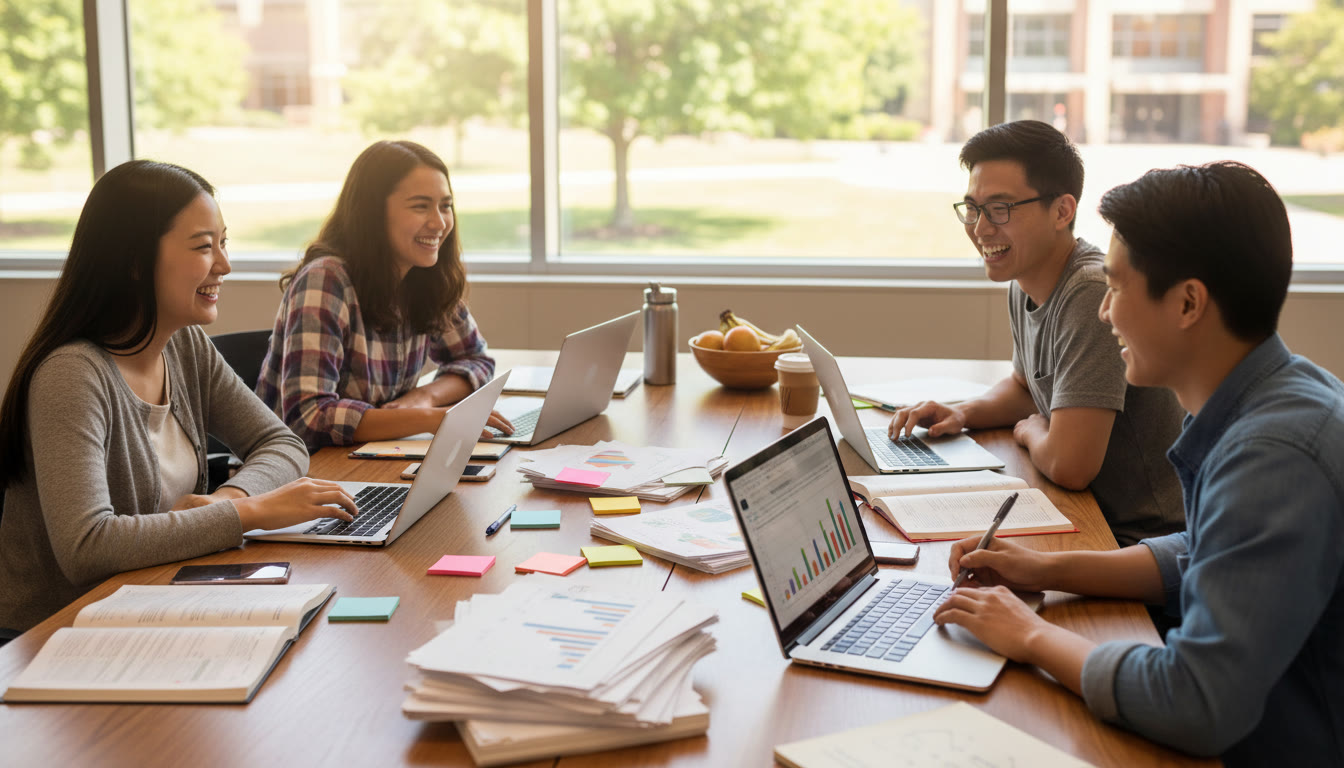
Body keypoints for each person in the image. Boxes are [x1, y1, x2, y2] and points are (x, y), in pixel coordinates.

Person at [932, 161, 1344, 763]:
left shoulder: (1272, 454)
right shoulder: (1275, 393)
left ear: (1187, 303)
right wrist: (1043, 570)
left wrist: (1030, 635)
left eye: (1118, 287)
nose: (1105, 312)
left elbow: (1196, 703)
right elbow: (1205, 549)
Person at [0, 160, 357, 633]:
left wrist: (226, 500)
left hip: (151, 603)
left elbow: (281, 443)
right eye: (204, 247)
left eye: (223, 243)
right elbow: (87, 547)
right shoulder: (72, 375)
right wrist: (247, 513)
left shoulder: (183, 346)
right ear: (132, 261)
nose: (224, 265)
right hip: (59, 634)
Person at [889, 120, 1184, 546]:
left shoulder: (1088, 292)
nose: (981, 228)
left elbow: (1070, 465)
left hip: (1133, 538)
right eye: (972, 208)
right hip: (1085, 514)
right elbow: (1028, 387)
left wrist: (1030, 431)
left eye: (1001, 208)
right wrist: (964, 413)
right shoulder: (1024, 276)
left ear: (1062, 211)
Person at [256, 140, 511, 451]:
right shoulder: (326, 279)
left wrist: (425, 397)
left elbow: (475, 358)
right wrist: (432, 419)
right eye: (420, 206)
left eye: (445, 205)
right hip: (301, 469)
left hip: (373, 454)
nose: (439, 222)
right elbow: (309, 416)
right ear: (373, 212)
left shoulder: (423, 272)